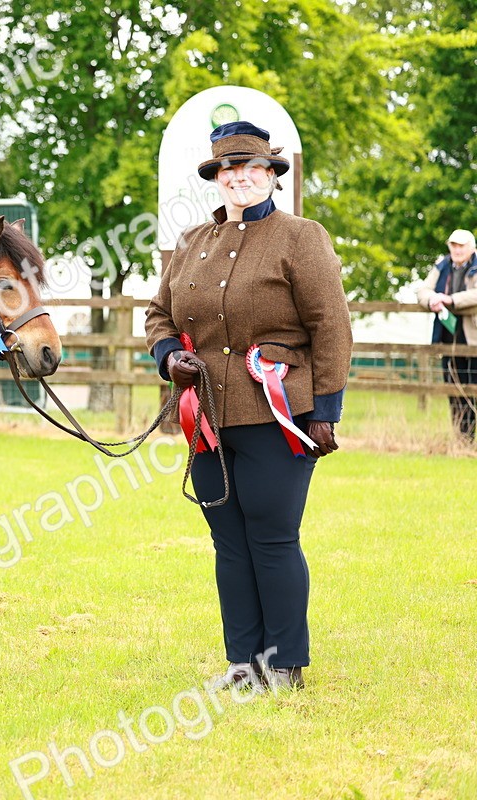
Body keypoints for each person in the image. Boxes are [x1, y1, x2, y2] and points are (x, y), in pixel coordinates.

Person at [145, 121, 353, 692]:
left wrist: (326, 410)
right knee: (228, 542)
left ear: (271, 176)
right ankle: (244, 664)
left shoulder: (301, 237)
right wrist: (168, 358)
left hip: (279, 416)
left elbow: (330, 326)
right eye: (228, 169)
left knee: (272, 536)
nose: (240, 177)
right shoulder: (190, 243)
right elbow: (158, 315)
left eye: (252, 168)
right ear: (216, 178)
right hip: (206, 415)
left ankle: (284, 666)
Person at [415, 229, 477, 443]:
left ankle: (468, 439)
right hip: (447, 337)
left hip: (473, 339)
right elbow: (423, 290)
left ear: (471, 247)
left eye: (461, 246)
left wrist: (451, 299)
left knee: (472, 388)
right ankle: (462, 439)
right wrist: (433, 299)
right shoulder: (442, 265)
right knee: (453, 388)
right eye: (453, 245)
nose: (457, 250)